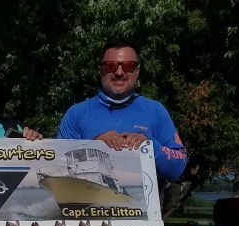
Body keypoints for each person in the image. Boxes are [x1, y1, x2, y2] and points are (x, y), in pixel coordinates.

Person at [57, 39, 188, 182]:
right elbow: (59, 164)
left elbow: (178, 168)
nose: (119, 72)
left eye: (128, 66)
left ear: (137, 71)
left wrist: (149, 145)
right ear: (100, 70)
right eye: (111, 66)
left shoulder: (156, 110)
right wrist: (93, 145)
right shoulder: (76, 113)